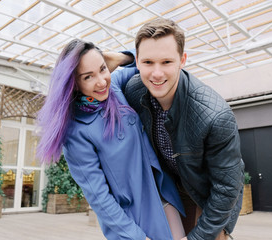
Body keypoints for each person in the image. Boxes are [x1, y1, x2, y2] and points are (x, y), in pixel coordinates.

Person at [36, 39, 186, 240]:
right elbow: (100, 198)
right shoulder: (75, 133)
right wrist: (137, 237)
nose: (101, 81)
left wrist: (121, 57)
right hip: (133, 219)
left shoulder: (114, 87)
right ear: (74, 83)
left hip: (162, 194)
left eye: (102, 69)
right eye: (88, 76)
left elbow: (150, 60)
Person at [124, 18, 245, 240]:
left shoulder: (216, 115)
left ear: (183, 60)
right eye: (148, 62)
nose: (156, 74)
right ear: (137, 62)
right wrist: (121, 57)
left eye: (167, 62)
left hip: (208, 193)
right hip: (169, 187)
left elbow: (227, 188)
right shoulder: (133, 91)